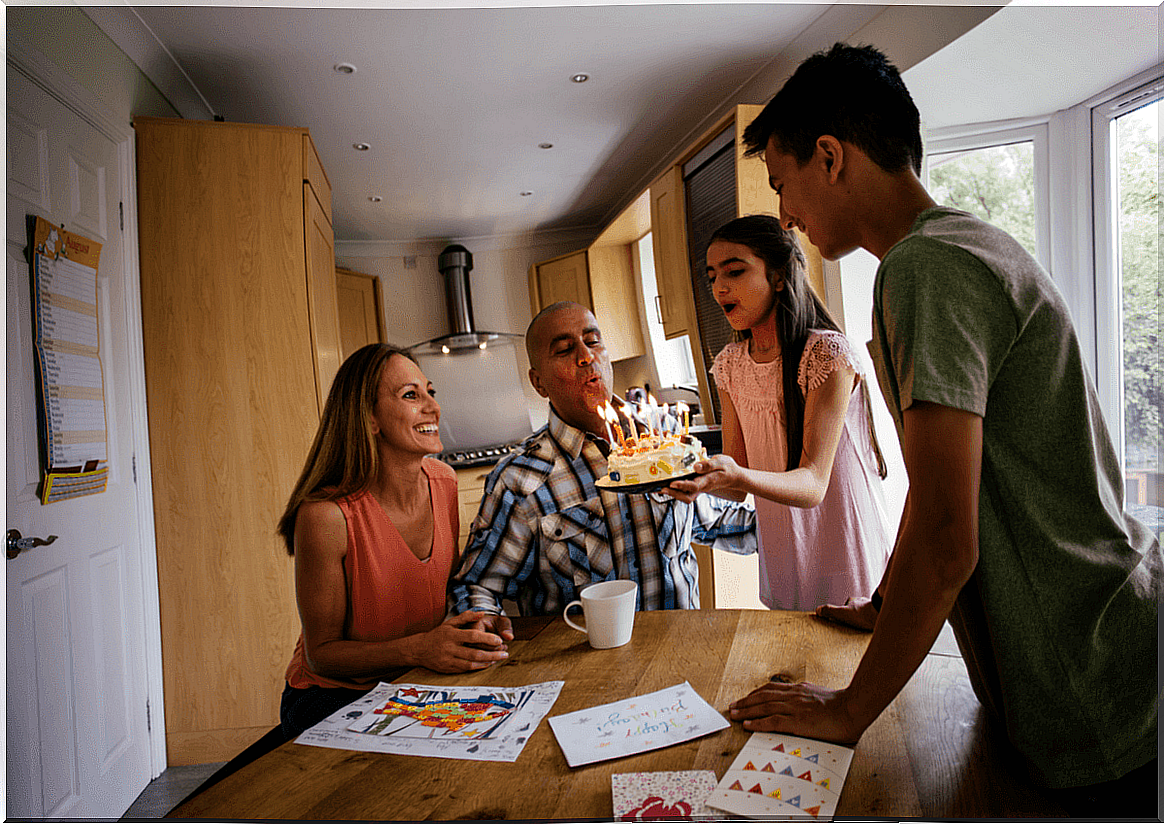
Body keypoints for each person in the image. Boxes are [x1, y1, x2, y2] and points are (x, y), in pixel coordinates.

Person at [724, 42, 1160, 813]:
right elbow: (942, 495)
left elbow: (949, 537)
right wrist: (883, 601)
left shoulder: (923, 270)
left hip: (1091, 685)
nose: (784, 216)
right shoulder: (963, 247)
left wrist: (850, 709)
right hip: (1101, 648)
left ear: (831, 157)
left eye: (783, 186)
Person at [448, 301, 756, 617]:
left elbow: (716, 521)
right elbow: (477, 586)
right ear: (539, 382)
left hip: (679, 649)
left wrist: (795, 522)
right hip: (584, 661)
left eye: (593, 342)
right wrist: (481, 623)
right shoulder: (520, 479)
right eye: (565, 350)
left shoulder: (666, 440)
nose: (586, 356)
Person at [277, 343, 512, 738]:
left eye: (430, 392)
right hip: (332, 699)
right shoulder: (325, 517)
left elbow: (433, 599)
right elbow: (322, 657)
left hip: (415, 684)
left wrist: (472, 625)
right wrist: (420, 650)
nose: (432, 407)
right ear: (369, 418)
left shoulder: (444, 483)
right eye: (410, 395)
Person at [664, 215, 891, 611]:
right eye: (712, 275)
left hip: (840, 540)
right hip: (785, 549)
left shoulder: (825, 354)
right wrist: (686, 476)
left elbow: (813, 485)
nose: (719, 287)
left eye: (734, 271)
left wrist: (735, 474)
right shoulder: (730, 364)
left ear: (780, 276)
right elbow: (736, 483)